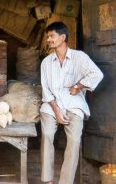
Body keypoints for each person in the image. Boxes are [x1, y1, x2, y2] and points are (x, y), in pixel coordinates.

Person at [40, 22, 103, 184]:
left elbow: (97, 74)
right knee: (47, 134)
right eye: (47, 36)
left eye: (51, 36)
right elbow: (46, 92)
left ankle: (65, 181)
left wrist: (79, 85)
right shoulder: (46, 63)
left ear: (63, 37)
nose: (48, 39)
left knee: (74, 140)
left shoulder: (79, 57)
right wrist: (56, 111)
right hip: (52, 105)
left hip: (74, 104)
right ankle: (48, 180)